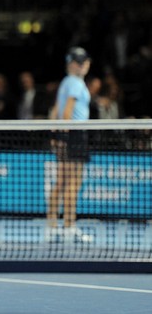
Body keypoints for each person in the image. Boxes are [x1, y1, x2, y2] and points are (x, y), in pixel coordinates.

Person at [45, 46, 93, 244]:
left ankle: (52, 227)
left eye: (84, 61)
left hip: (66, 134)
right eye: (78, 62)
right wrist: (64, 137)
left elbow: (55, 110)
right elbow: (66, 112)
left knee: (62, 182)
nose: (83, 65)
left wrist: (56, 136)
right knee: (73, 183)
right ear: (71, 64)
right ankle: (69, 227)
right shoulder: (74, 83)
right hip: (74, 135)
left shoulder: (66, 82)